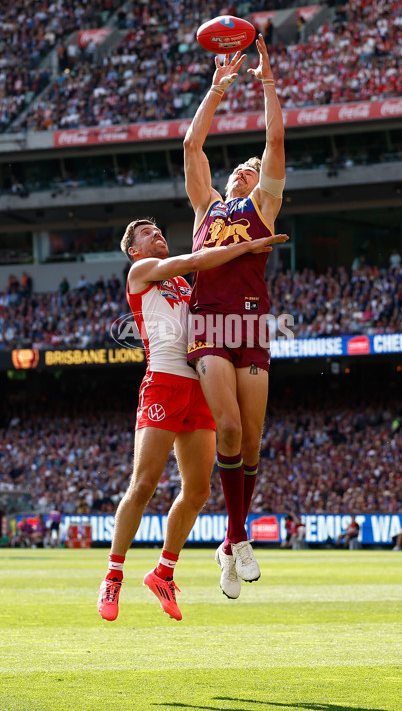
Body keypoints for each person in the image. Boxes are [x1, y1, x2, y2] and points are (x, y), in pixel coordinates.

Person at [97, 219, 287, 621]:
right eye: (148, 233)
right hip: (164, 383)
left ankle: (164, 572)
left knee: (199, 490)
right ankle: (114, 574)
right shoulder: (141, 272)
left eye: (160, 229)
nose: (158, 234)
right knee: (144, 483)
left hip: (200, 386)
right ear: (133, 249)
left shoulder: (189, 285)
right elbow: (201, 256)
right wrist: (249, 244)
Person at [183, 34, 285, 599]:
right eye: (240, 170)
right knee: (227, 427)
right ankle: (239, 539)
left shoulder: (262, 209)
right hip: (210, 324)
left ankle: (231, 540)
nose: (246, 172)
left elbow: (273, 139)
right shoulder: (207, 208)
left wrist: (267, 81)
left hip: (252, 324)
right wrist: (217, 90)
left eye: (253, 170)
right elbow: (191, 144)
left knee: (250, 440)